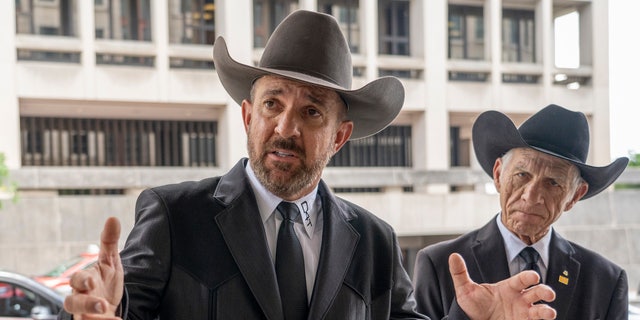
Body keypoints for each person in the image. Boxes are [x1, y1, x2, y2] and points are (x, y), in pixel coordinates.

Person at [59, 10, 557, 320]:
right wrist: (96, 313)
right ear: (248, 116)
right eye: (273, 104)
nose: (286, 127)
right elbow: (115, 309)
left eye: (312, 111)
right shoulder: (174, 216)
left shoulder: (376, 242)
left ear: (340, 136)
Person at [412, 104, 630, 319]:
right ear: (498, 175)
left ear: (574, 196)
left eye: (553, 183)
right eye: (522, 175)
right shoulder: (438, 265)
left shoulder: (605, 281)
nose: (531, 196)